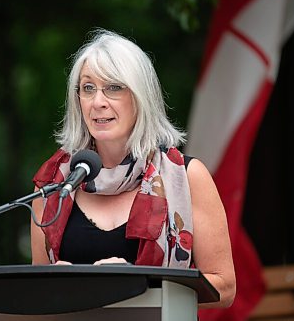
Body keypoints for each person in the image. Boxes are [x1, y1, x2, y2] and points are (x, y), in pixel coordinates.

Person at [30, 29, 236, 308]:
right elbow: (37, 291)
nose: (98, 101)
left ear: (141, 97)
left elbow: (224, 287)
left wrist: (134, 282)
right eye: (88, 88)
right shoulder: (55, 185)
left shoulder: (187, 177)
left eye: (114, 87)